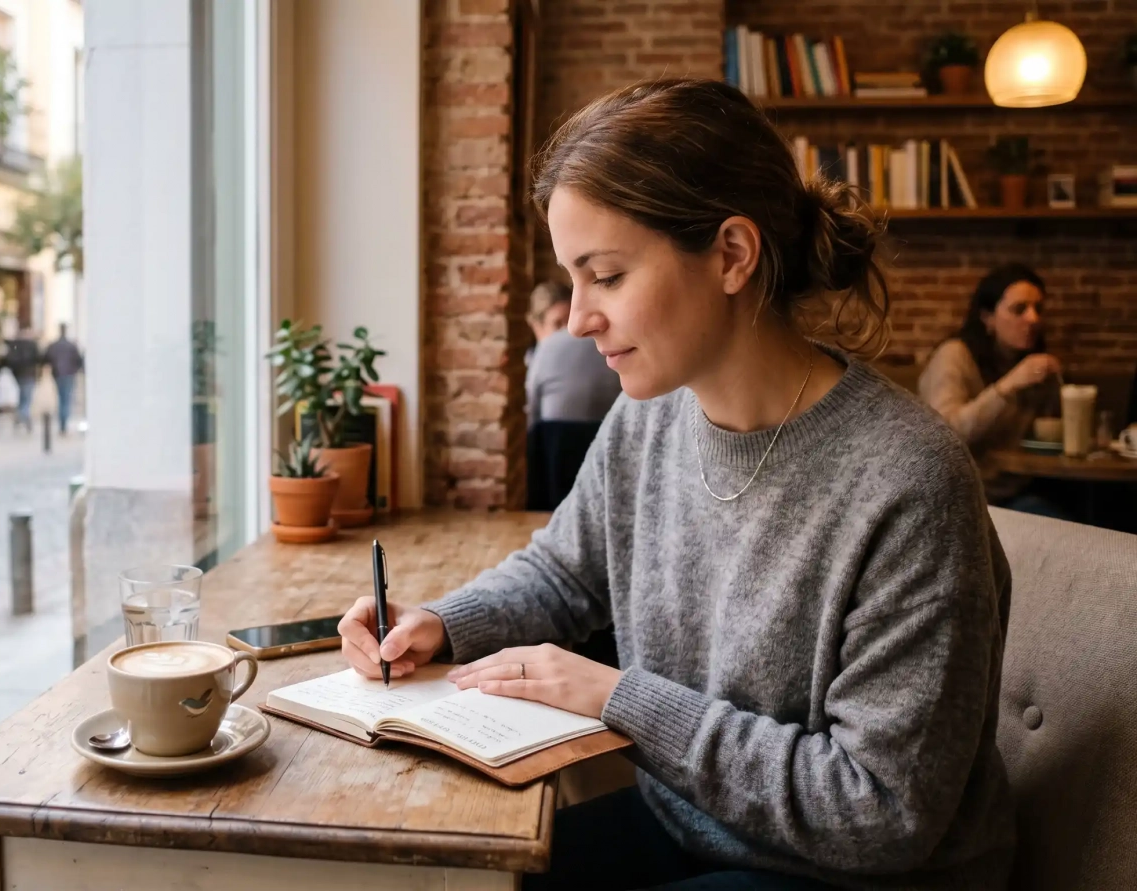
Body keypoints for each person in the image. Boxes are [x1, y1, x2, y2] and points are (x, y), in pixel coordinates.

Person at [338, 79, 1014, 890]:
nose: (577, 318)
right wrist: (441, 622)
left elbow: (880, 810)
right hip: (692, 827)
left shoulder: (909, 479)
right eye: (572, 279)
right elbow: (565, 571)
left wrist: (620, 698)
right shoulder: (650, 415)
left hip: (855, 877)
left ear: (732, 254)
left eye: (606, 275)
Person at [917, 264, 1064, 517]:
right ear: (988, 317)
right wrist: (1007, 386)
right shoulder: (955, 356)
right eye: (1019, 309)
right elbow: (944, 435)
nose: (1033, 319)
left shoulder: (1030, 362)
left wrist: (1056, 386)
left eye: (1038, 309)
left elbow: (1049, 434)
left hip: (1022, 488)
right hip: (965, 498)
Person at [525, 280, 620, 428]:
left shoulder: (605, 354)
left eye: (569, 322)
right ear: (536, 326)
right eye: (558, 324)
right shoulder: (531, 363)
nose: (569, 333)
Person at [43, 323, 84, 435]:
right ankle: (63, 424)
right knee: (66, 399)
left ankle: (62, 423)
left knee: (61, 398)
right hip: (69, 374)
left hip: (58, 374)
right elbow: (79, 360)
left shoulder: (54, 345)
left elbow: (46, 358)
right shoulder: (71, 345)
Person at [2, 328, 43, 433]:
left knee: (23, 396)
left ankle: (21, 417)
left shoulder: (15, 345)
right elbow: (39, 358)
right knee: (27, 398)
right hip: (29, 374)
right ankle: (23, 417)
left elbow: (7, 360)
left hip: (18, 374)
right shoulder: (32, 344)